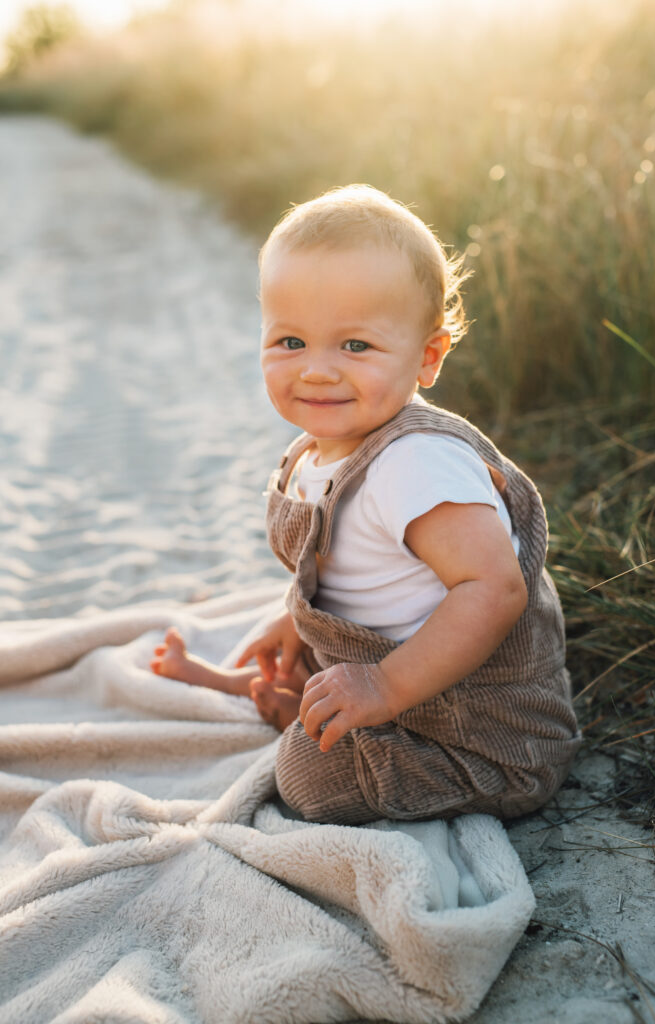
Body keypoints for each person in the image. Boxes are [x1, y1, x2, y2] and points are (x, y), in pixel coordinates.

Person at [150, 184, 581, 824]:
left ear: (427, 357)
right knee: (321, 687)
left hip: (482, 731)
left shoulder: (416, 464)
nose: (317, 370)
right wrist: (296, 619)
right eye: (290, 341)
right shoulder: (318, 450)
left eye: (355, 346)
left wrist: (383, 687)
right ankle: (282, 692)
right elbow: (355, 567)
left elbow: (493, 591)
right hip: (402, 678)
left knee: (305, 772)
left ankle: (292, 707)